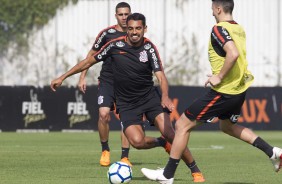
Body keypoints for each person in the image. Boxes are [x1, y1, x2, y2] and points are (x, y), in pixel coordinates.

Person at [51, 13, 205, 182]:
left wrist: (165, 96)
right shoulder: (113, 46)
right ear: (126, 29)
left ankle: (195, 170)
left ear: (144, 29)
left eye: (138, 28)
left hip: (149, 98)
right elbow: (87, 62)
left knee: (170, 132)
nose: (134, 32)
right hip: (126, 103)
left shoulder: (149, 48)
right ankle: (162, 143)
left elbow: (161, 76)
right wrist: (62, 77)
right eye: (131, 28)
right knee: (137, 142)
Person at [141, 0, 282, 183]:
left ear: (218, 8)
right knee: (227, 126)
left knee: (181, 126)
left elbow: (233, 53)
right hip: (239, 89)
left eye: (212, 10)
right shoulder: (238, 28)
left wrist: (219, 77)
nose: (212, 13)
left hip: (224, 91)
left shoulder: (219, 29)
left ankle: (167, 175)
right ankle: (273, 152)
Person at [77, 2, 133, 167]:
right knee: (103, 115)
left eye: (126, 14)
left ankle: (124, 157)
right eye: (121, 14)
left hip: (127, 84)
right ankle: (105, 150)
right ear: (116, 15)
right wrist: (82, 77)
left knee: (126, 120)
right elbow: (91, 55)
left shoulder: (135, 34)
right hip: (107, 81)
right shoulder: (107, 34)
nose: (124, 17)